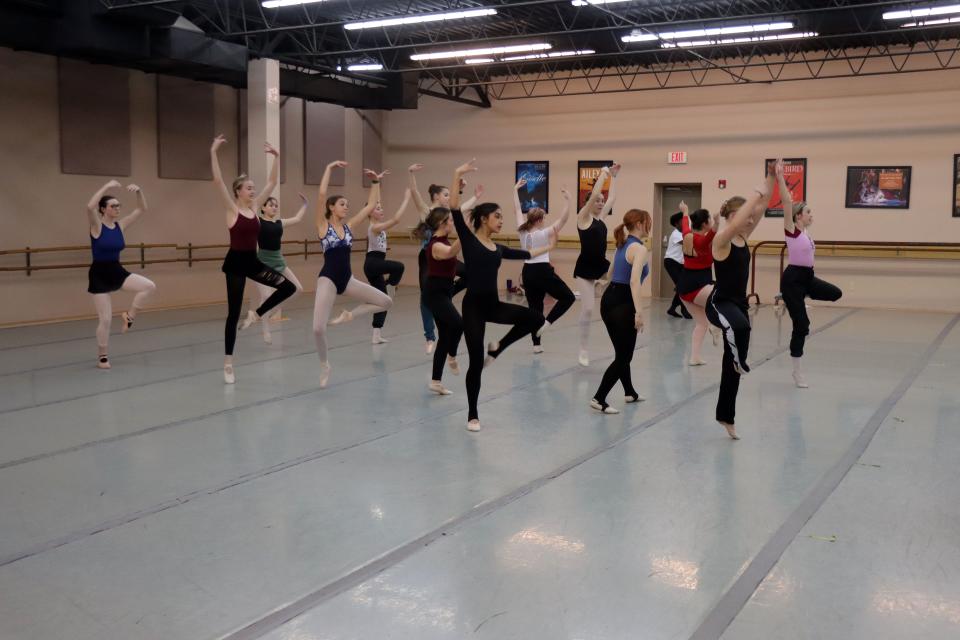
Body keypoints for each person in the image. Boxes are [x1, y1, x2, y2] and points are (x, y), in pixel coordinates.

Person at [450, 159, 555, 432]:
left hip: (493, 305)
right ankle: (473, 413)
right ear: (484, 219)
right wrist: (457, 176)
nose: (501, 221)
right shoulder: (470, 239)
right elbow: (453, 210)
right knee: (475, 362)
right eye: (497, 216)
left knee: (534, 318)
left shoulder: (497, 248)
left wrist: (548, 246)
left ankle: (499, 347)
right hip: (473, 307)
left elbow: (525, 254)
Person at [210, 135, 296, 384]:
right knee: (233, 312)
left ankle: (257, 314)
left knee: (287, 287)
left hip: (253, 261)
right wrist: (214, 151)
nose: (253, 190)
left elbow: (272, 181)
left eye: (253, 188)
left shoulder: (255, 206)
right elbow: (217, 181)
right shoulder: (232, 208)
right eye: (248, 187)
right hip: (235, 263)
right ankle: (228, 362)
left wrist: (277, 158)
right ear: (238, 191)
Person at [706, 162, 776, 440]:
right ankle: (739, 359)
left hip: (739, 304)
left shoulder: (744, 237)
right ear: (734, 215)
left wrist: (771, 178)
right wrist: (755, 193)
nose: (750, 220)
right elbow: (737, 221)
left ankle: (726, 416)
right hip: (719, 303)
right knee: (742, 331)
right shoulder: (721, 240)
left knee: (730, 368)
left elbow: (762, 208)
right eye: (744, 215)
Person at [312, 161, 392, 387]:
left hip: (347, 280)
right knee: (318, 328)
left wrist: (376, 181)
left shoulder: (349, 228)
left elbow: (371, 205)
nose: (346, 207)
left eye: (347, 204)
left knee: (385, 301)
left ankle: (351, 315)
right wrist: (328, 169)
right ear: (331, 207)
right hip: (328, 279)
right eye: (342, 204)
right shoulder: (322, 226)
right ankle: (325, 364)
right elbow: (320, 194)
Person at [777, 164, 843, 388]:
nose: (811, 215)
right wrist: (779, 176)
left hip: (807, 278)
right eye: (808, 212)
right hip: (793, 280)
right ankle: (797, 372)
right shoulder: (792, 230)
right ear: (798, 216)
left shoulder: (805, 231)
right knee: (802, 326)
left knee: (836, 294)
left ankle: (797, 301)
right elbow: (786, 203)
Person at [85, 180, 157, 369]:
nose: (117, 208)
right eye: (113, 206)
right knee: (106, 319)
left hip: (116, 270)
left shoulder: (120, 226)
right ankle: (102, 356)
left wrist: (139, 192)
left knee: (148, 286)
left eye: (119, 205)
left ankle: (129, 316)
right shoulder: (97, 226)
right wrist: (106, 187)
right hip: (99, 273)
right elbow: (89, 206)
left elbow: (142, 209)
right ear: (103, 209)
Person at [408, 165, 479, 354]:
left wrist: (470, 194)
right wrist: (411, 173)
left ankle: (445, 297)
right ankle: (430, 336)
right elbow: (414, 192)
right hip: (429, 258)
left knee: (471, 274)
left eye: (450, 194)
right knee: (425, 298)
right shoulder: (427, 212)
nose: (449, 197)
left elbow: (461, 207)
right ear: (437, 196)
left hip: (446, 255)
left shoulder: (447, 214)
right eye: (446, 194)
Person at [590, 209, 651, 414]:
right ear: (641, 224)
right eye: (648, 222)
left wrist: (602, 283)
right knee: (624, 357)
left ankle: (629, 392)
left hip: (609, 300)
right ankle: (599, 398)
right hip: (623, 303)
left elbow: (609, 273)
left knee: (622, 353)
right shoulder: (639, 248)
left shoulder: (622, 245)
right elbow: (634, 281)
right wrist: (639, 313)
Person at [514, 179, 576, 353]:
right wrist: (568, 200)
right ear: (540, 219)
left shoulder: (521, 231)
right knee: (568, 297)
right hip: (542, 271)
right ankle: (547, 323)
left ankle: (536, 345)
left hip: (527, 272)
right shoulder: (544, 233)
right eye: (544, 218)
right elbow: (564, 219)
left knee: (535, 308)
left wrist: (515, 190)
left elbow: (517, 210)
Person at [573, 163, 620, 366]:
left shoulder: (600, 218)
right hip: (585, 269)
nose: (601, 203)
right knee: (589, 309)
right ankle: (583, 349)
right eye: (597, 201)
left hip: (601, 266)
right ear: (589, 203)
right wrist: (604, 173)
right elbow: (594, 195)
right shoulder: (583, 218)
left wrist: (615, 178)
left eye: (602, 201)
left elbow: (613, 198)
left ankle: (602, 285)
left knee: (617, 269)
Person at [412, 207, 463, 395]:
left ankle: (435, 381)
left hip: (444, 291)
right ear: (442, 223)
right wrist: (465, 233)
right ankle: (452, 355)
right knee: (458, 324)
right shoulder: (435, 244)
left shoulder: (442, 240)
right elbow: (450, 252)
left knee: (445, 336)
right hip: (434, 294)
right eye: (450, 220)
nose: (452, 223)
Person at [255, 194, 307, 344]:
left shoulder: (279, 222)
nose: (274, 207)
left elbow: (297, 219)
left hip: (279, 261)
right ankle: (265, 330)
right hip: (262, 264)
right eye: (271, 205)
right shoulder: (258, 222)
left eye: (276, 205)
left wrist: (304, 206)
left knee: (298, 289)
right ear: (263, 208)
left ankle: (273, 310)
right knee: (265, 296)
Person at [363, 188, 412, 344]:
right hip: (373, 263)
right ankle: (391, 287)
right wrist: (405, 200)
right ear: (370, 213)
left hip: (376, 263)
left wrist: (377, 182)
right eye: (377, 208)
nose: (381, 209)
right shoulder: (374, 227)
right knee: (399, 266)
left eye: (381, 207)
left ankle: (376, 336)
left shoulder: (378, 226)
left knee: (383, 302)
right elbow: (396, 220)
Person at [678, 202, 721, 365]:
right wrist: (717, 222)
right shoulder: (701, 241)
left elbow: (685, 225)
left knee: (701, 323)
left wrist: (685, 211)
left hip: (685, 287)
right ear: (705, 223)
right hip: (696, 285)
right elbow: (712, 234)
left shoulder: (687, 235)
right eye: (709, 219)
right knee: (720, 297)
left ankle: (694, 357)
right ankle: (715, 325)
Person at [663, 211, 691, 319]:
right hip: (671, 262)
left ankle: (672, 309)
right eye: (682, 221)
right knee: (682, 286)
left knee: (682, 286)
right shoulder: (676, 234)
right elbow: (688, 243)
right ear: (676, 224)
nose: (685, 223)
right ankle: (684, 310)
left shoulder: (684, 233)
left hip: (680, 264)